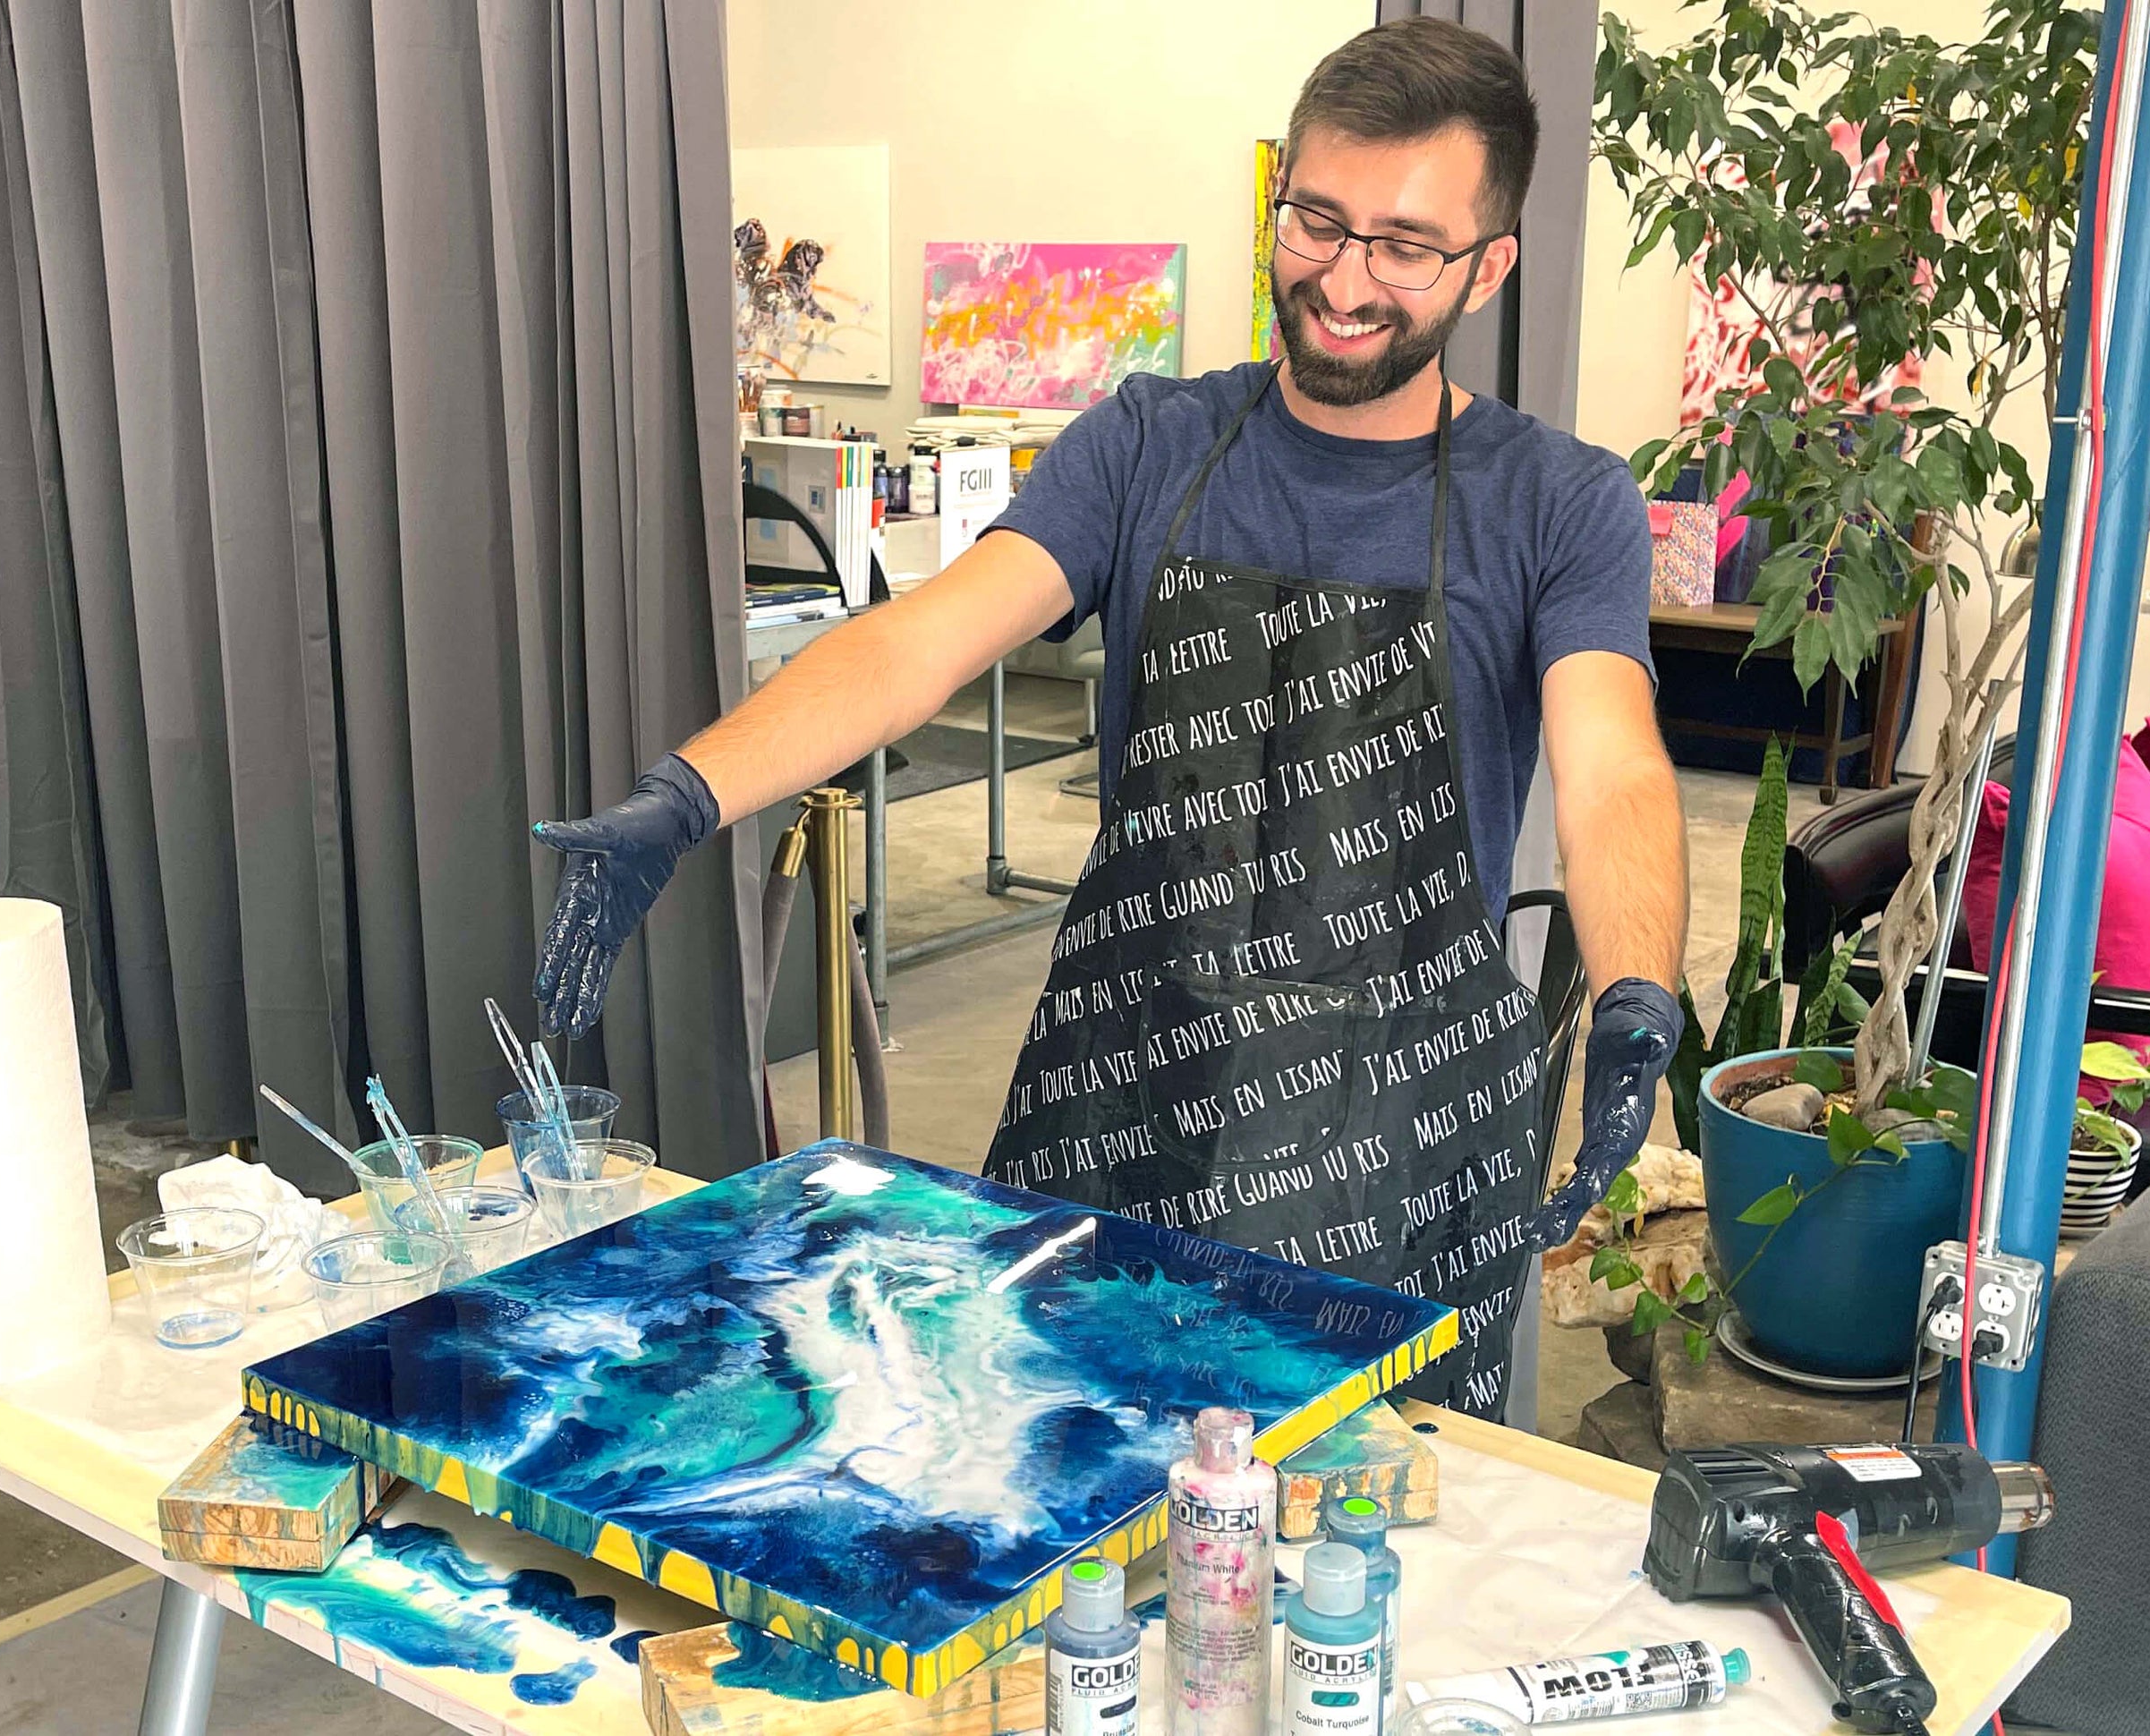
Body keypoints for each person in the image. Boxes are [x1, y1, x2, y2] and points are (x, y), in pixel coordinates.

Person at [529, 17, 1689, 1423]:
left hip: (1401, 1123)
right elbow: (921, 644)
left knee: (1356, 1550)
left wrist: (1637, 994)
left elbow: (1612, 764)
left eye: (1405, 244)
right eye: (1318, 221)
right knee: (1056, 1493)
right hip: (1126, 1074)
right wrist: (686, 795)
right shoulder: (1149, 444)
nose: (1344, 279)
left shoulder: (1558, 502)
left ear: (1489, 264)